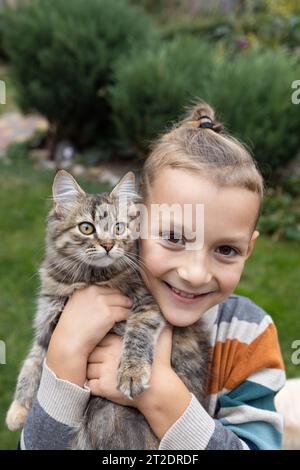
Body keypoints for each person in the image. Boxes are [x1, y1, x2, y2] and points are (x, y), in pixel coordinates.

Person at [19, 102, 285, 450]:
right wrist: (65, 353)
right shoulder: (88, 309)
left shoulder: (248, 335)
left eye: (226, 250)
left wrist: (162, 398)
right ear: (136, 224)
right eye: (174, 239)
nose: (194, 273)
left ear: (248, 249)